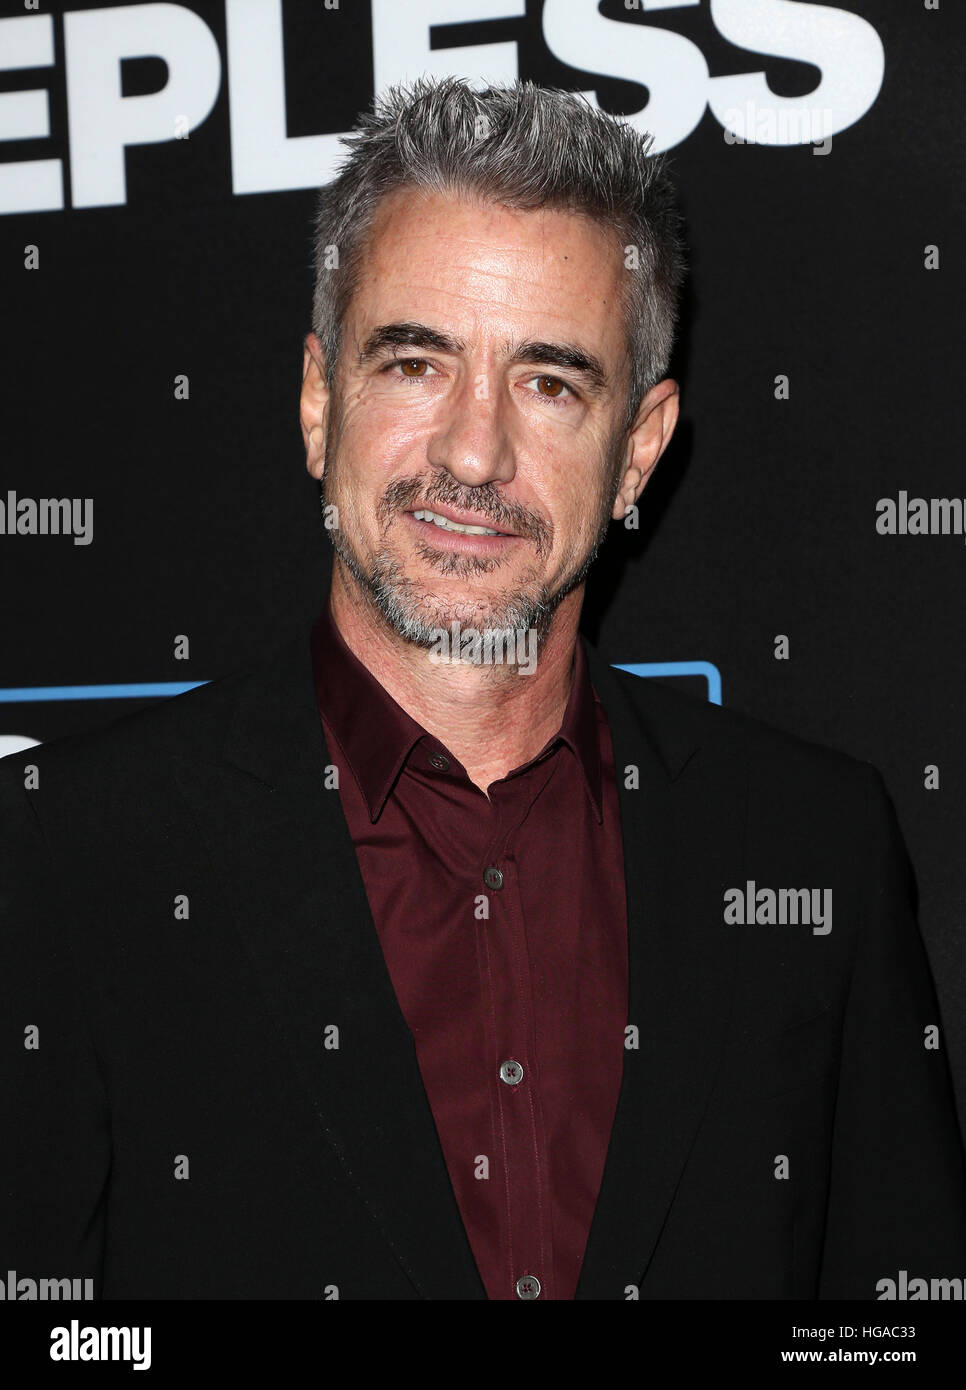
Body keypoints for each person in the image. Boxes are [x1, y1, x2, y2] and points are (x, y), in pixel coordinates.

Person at [2, 78, 965, 1302]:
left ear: (641, 448)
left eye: (550, 383)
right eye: (414, 362)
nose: (472, 453)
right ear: (317, 402)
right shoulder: (70, 848)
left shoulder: (810, 844)